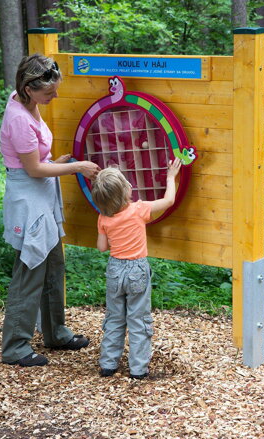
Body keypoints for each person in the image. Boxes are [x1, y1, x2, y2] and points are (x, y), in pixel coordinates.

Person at [0, 53, 100, 367]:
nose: (54, 96)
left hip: (42, 194)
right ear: (29, 89)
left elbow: (38, 163)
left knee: (53, 265)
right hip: (29, 198)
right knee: (30, 270)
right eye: (49, 92)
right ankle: (15, 347)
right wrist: (77, 168)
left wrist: (57, 163)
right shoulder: (18, 117)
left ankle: (55, 332)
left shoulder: (27, 102)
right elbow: (31, 170)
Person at [91, 158, 181, 379]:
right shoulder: (139, 210)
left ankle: (108, 365)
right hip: (137, 270)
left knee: (114, 317)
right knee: (138, 319)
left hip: (114, 269)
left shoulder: (103, 217)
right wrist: (171, 177)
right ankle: (138, 369)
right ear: (125, 192)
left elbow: (102, 247)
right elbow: (168, 201)